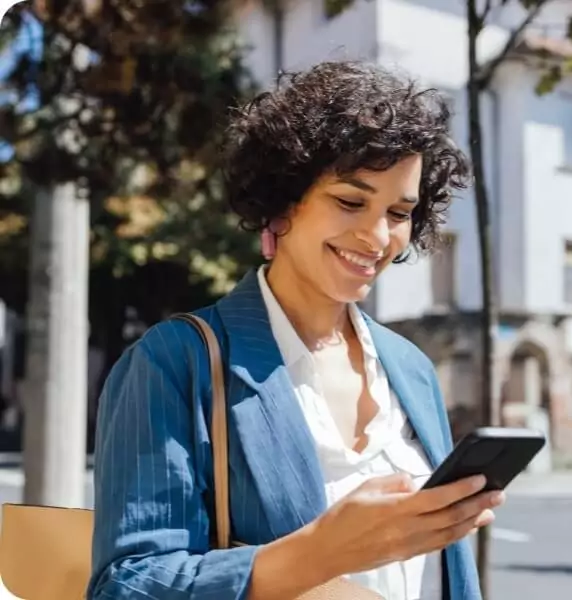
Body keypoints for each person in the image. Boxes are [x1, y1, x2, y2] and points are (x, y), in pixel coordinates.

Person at [87, 61, 505, 600]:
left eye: (400, 212)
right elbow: (127, 585)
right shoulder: (173, 362)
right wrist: (320, 552)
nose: (378, 236)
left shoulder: (411, 368)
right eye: (350, 201)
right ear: (283, 201)